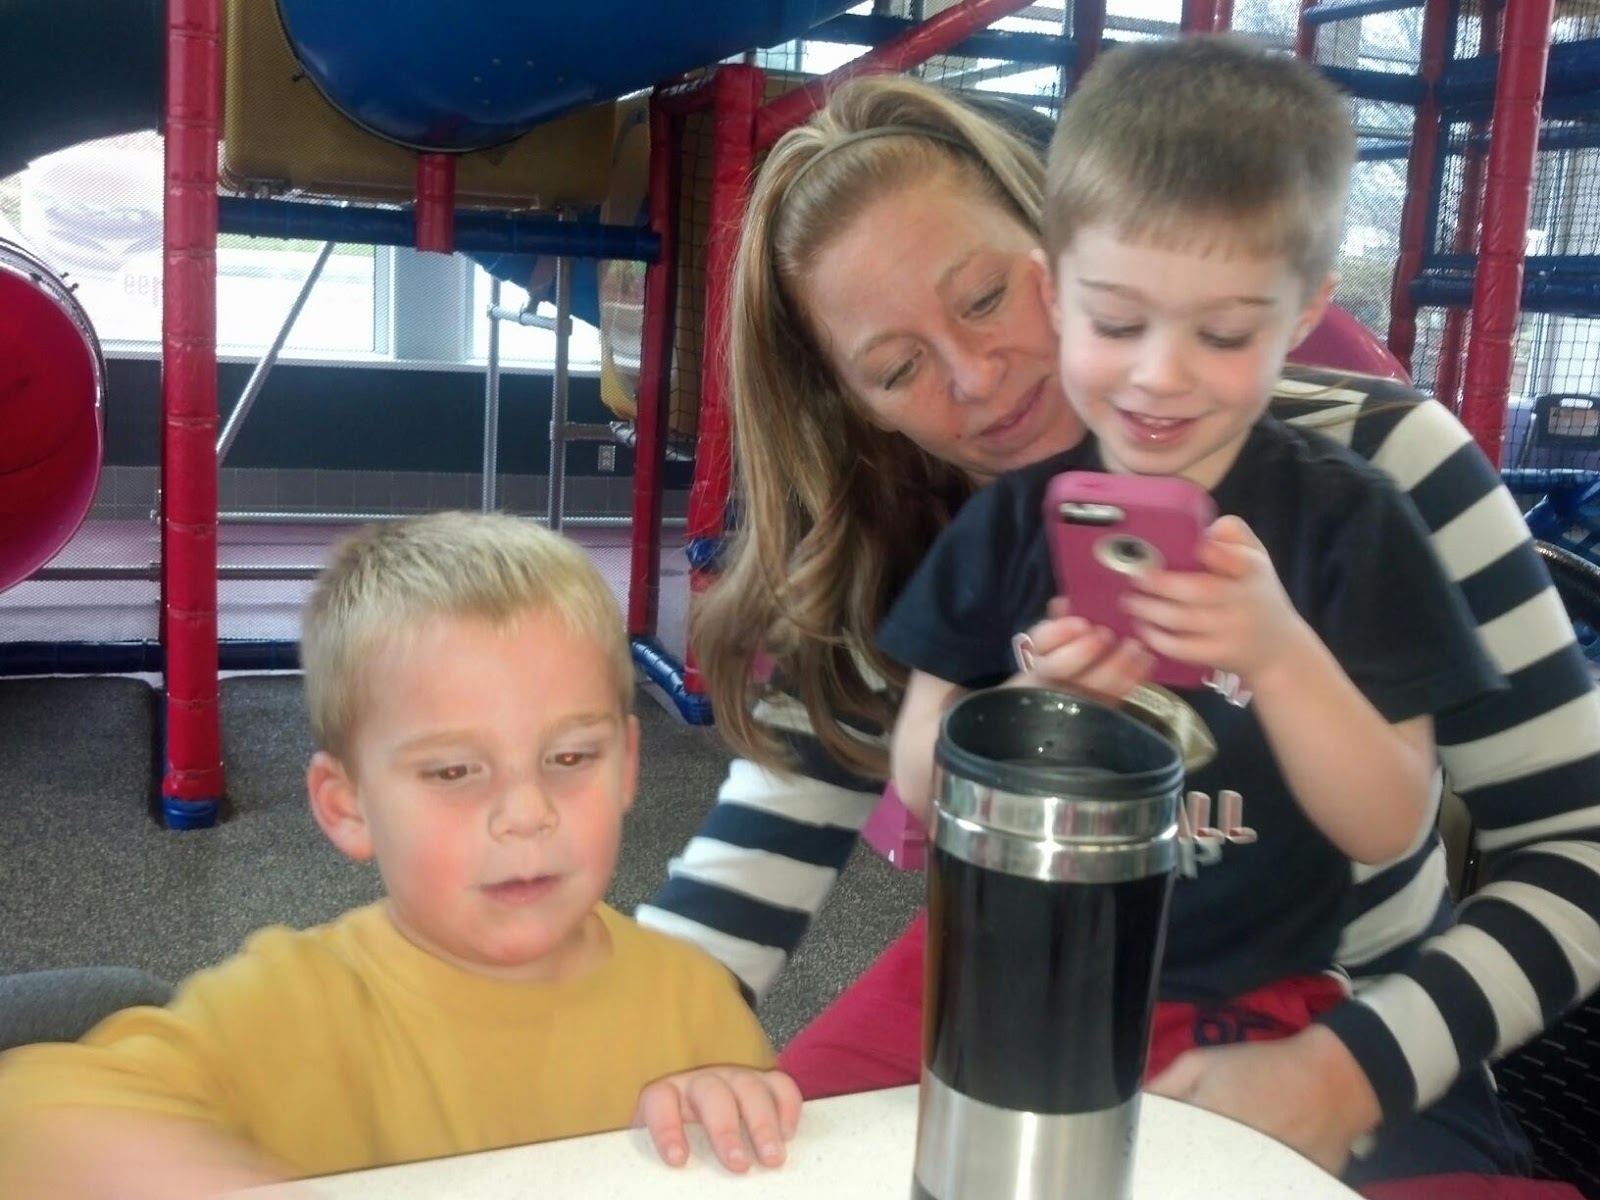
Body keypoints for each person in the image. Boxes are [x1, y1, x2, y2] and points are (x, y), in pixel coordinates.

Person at [633, 58, 1600, 1192]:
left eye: (985, 299)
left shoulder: (1378, 472)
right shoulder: (919, 531)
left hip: (1339, 1010)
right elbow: (754, 861)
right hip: (1017, 984)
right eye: (895, 368)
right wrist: (631, 1052)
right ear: (854, 403)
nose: (978, 379)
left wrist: (1351, 1071)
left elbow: (1578, 849)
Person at [881, 28, 1501, 1086]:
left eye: (1222, 335)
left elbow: (1392, 822)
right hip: (1008, 960)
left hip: (1247, 1002)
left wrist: (1279, 655)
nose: (1160, 376)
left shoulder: (1352, 524)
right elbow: (916, 778)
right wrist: (1028, 711)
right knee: (788, 1132)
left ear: (1303, 314)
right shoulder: (1009, 524)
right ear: (1053, 291)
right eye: (1117, 322)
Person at [0, 512, 800, 1200]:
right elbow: (29, 1115)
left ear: (626, 766)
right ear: (348, 806)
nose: (527, 814)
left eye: (570, 758)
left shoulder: (694, 1001)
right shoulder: (296, 1006)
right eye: (453, 772)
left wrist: (734, 1105)